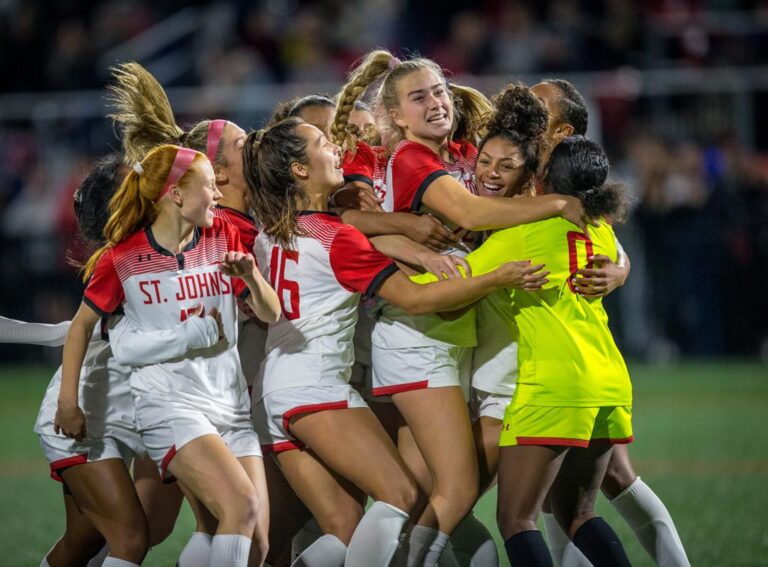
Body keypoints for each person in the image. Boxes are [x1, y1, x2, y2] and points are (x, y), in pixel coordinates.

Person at [243, 117, 546, 567]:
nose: (336, 151)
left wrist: (410, 241)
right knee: (401, 494)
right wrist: (496, 277)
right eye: (325, 144)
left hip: (272, 395)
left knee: (345, 523)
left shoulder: (272, 229)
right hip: (316, 388)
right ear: (300, 170)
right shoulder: (337, 239)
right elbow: (418, 300)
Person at [326, 49, 589, 565]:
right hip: (417, 334)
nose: (435, 102)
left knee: (419, 490)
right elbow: (468, 211)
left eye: (439, 91)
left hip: (448, 335)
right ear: (397, 118)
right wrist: (558, 203)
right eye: (418, 97)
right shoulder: (410, 157)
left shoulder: (462, 155)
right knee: (457, 490)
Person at [55, 144, 281, 567]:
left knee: (258, 548)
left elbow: (271, 313)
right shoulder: (123, 258)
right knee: (241, 508)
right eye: (210, 186)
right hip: (170, 407)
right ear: (176, 194)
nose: (218, 195)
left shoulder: (222, 237)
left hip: (231, 407)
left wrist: (251, 276)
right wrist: (69, 401)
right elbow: (81, 326)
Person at [419, 135, 634, 566]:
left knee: (517, 519)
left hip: (554, 385)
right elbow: (618, 262)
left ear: (545, 179)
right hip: (609, 380)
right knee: (580, 514)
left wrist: (390, 266)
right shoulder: (602, 229)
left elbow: (444, 285)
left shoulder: (527, 234)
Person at [531, 79, 690, 567]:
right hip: (564, 355)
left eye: (537, 104)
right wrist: (620, 272)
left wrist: (618, 273)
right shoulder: (531, 174)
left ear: (560, 131)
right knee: (587, 487)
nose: (518, 104)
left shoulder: (562, 191)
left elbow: (612, 251)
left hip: (557, 357)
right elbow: (615, 254)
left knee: (562, 497)